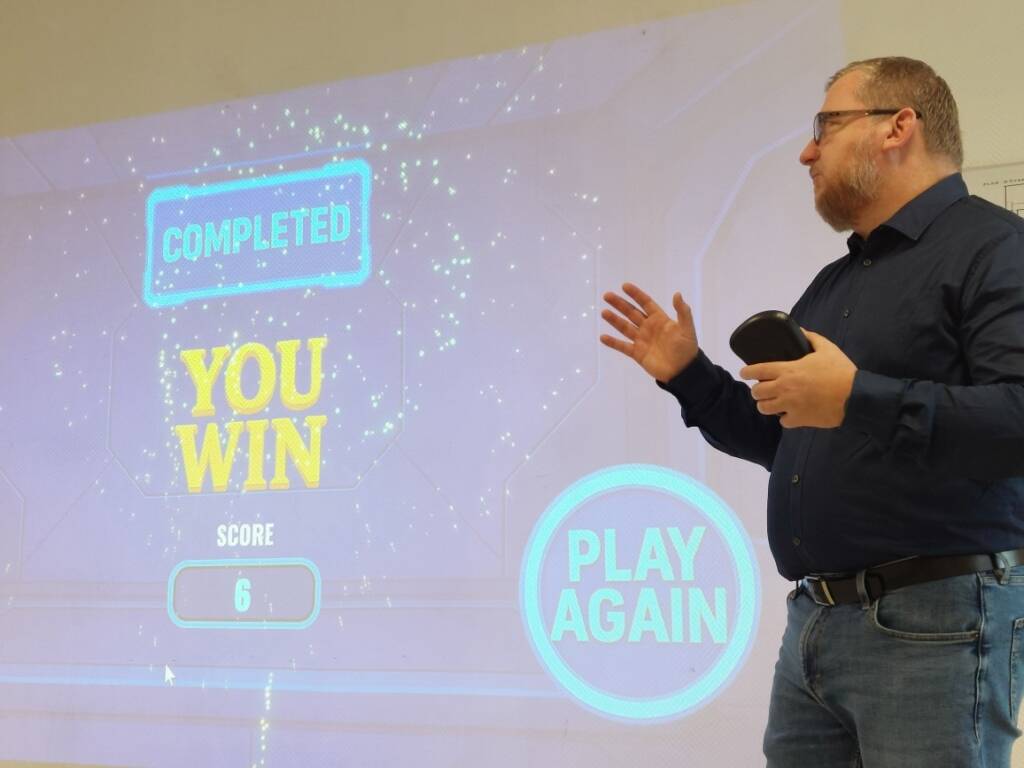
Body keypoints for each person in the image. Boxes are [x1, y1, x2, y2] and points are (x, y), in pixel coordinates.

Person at [600, 57, 1024, 767]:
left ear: (898, 126)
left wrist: (857, 397)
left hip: (935, 620)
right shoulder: (835, 282)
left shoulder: (996, 248)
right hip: (816, 623)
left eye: (825, 126)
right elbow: (792, 441)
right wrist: (689, 375)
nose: (806, 151)